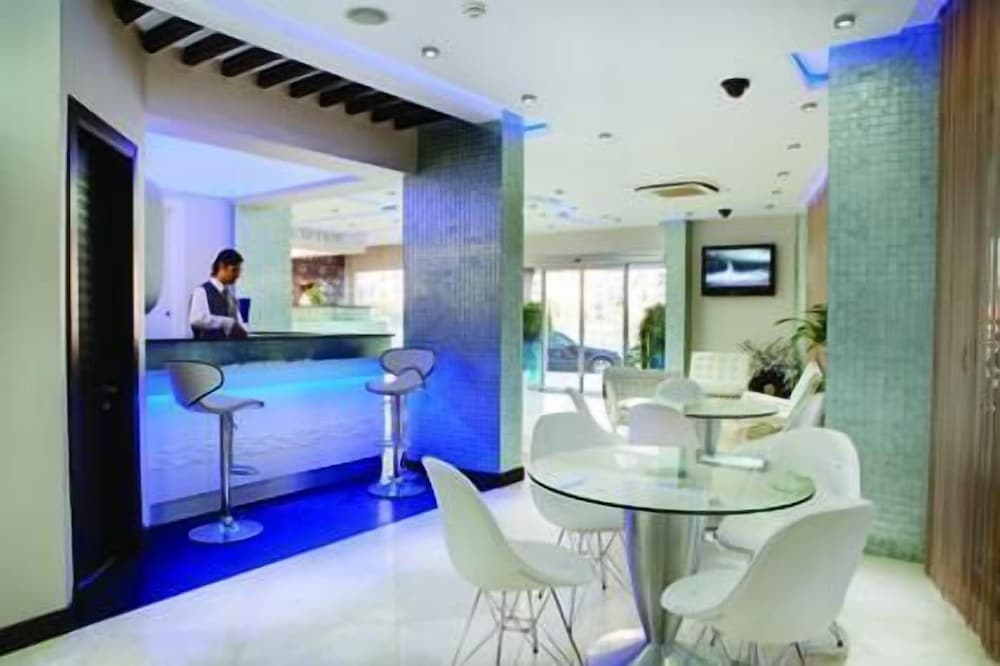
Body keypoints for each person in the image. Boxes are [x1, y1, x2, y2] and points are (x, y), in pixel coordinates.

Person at [189, 249, 250, 340]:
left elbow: (238, 323)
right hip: (206, 347)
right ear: (222, 266)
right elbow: (196, 319)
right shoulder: (201, 291)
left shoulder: (230, 297)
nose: (237, 275)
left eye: (238, 271)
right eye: (234, 270)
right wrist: (226, 322)